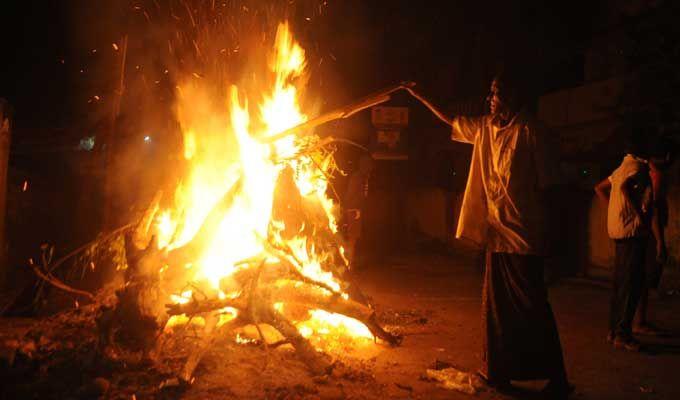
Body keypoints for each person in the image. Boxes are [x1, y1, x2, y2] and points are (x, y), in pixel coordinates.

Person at [404, 71, 571, 397]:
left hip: (525, 237)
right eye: (490, 93)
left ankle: (557, 377)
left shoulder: (532, 132)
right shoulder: (484, 128)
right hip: (496, 235)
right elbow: (450, 118)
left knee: (533, 308)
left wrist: (557, 239)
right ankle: (498, 373)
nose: (490, 99)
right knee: (496, 310)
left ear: (511, 96)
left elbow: (553, 187)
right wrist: (420, 96)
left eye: (495, 93)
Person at [594, 136, 662, 351]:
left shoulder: (619, 168)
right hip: (632, 234)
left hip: (620, 232)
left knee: (621, 284)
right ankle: (623, 335)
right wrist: (639, 217)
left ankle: (614, 331)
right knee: (631, 285)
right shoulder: (639, 169)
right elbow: (625, 188)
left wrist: (615, 211)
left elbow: (599, 188)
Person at [633, 137, 675, 335]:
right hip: (649, 233)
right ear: (667, 156)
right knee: (644, 277)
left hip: (641, 230)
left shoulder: (644, 170)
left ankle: (634, 320)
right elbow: (654, 211)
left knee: (638, 277)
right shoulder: (657, 176)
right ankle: (638, 321)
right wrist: (660, 242)